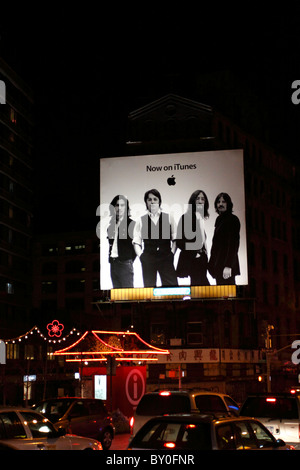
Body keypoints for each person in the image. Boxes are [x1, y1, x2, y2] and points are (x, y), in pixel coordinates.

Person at [133, 189, 177, 287]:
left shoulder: (169, 217)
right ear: (146, 202)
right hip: (148, 258)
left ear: (159, 201)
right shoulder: (141, 220)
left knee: (172, 288)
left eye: (155, 199)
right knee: (149, 290)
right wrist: (142, 257)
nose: (152, 201)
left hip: (166, 257)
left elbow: (175, 239)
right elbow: (136, 242)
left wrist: (172, 254)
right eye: (149, 199)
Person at [176, 190, 210, 285]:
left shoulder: (201, 218)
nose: (200, 201)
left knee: (201, 289)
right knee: (200, 289)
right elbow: (179, 242)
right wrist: (194, 253)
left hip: (202, 259)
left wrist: (205, 253)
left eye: (202, 199)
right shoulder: (186, 217)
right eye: (197, 198)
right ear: (193, 201)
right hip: (193, 260)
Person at [208, 192, 240, 285]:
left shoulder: (233, 219)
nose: (220, 204)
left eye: (223, 202)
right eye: (218, 202)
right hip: (218, 266)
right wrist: (211, 265)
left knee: (227, 295)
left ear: (228, 204)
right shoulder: (219, 220)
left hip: (226, 267)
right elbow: (215, 245)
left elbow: (234, 244)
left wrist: (228, 265)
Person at [107, 195, 136, 288]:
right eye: (117, 205)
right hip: (113, 263)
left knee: (128, 295)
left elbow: (136, 245)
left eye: (122, 205)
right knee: (117, 295)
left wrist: (128, 259)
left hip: (125, 262)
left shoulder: (131, 224)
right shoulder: (111, 226)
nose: (119, 208)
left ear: (126, 207)